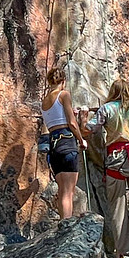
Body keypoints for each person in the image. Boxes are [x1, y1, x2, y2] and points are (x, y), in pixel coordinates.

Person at [92, 78, 129, 258]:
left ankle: (121, 254)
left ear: (112, 91)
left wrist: (84, 117)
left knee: (118, 207)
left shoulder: (106, 109)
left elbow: (92, 127)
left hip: (116, 160)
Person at [40, 67, 85, 219]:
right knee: (68, 191)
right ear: (63, 81)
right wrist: (81, 140)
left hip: (54, 145)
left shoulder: (44, 101)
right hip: (67, 141)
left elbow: (55, 119)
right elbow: (71, 123)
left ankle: (63, 222)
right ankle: (67, 225)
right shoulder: (64, 94)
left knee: (62, 190)